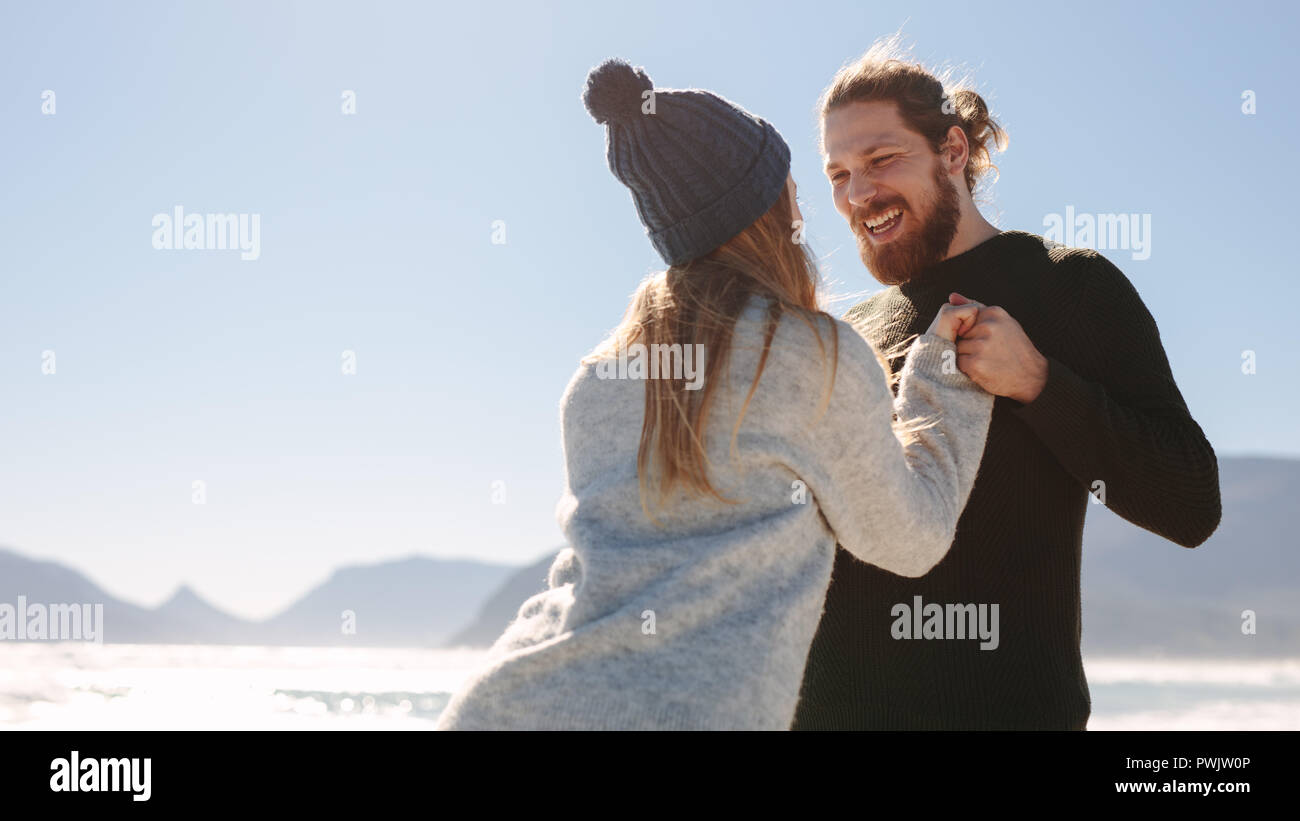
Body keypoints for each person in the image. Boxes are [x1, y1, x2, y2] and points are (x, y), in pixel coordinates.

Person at [435, 58, 993, 730]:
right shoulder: (808, 357)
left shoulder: (597, 379)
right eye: (791, 185)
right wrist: (943, 372)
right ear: (770, 209)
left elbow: (594, 569)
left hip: (504, 704)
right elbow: (913, 538)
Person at [792, 37, 1222, 730]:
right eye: (838, 173)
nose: (858, 193)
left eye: (881, 160)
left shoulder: (1069, 286)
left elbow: (1191, 502)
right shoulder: (852, 330)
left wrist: (1041, 384)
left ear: (953, 152)